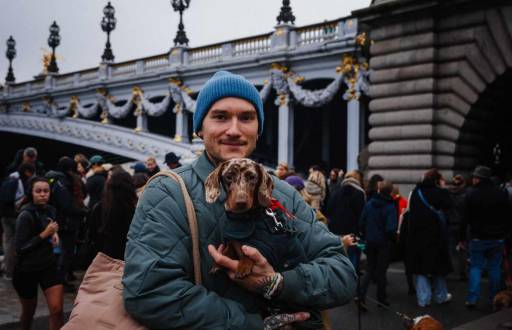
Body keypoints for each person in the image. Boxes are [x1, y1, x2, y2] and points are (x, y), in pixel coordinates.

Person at [123, 70, 357, 329]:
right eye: (220, 117)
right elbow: (149, 292)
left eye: (246, 118)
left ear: (258, 130)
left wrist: (277, 283)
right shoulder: (168, 193)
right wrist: (255, 324)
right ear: (200, 128)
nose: (234, 130)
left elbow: (342, 274)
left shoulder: (284, 195)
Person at [13, 176, 63, 330]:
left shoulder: (51, 210)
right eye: (38, 191)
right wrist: (45, 234)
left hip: (48, 264)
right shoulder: (25, 215)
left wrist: (55, 234)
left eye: (46, 191)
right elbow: (20, 248)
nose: (43, 194)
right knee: (28, 313)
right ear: (31, 193)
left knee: (57, 310)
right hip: (26, 269)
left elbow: (51, 227)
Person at [460, 166, 512, 308]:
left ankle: (472, 298)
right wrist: (505, 233)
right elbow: (508, 216)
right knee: (494, 268)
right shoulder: (501, 193)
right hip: (497, 238)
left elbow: (465, 219)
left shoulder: (471, 194)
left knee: (476, 267)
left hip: (478, 237)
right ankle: (493, 297)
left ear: (477, 179)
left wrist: (461, 237)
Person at [406, 169, 453, 307]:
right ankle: (441, 296)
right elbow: (449, 205)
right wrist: (444, 189)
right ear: (437, 180)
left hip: (418, 236)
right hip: (436, 236)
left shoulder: (416, 192)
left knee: (421, 270)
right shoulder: (439, 192)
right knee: (439, 269)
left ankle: (423, 299)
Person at [45, 157, 88, 292]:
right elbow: (66, 206)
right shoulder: (63, 183)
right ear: (70, 168)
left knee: (62, 252)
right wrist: (83, 212)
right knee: (66, 253)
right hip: (67, 223)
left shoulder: (56, 180)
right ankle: (59, 283)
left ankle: (60, 279)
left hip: (61, 221)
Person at [359, 180, 397, 308]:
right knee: (381, 271)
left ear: (379, 190)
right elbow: (391, 228)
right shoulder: (391, 206)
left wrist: (365, 236)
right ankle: (381, 299)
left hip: (370, 241)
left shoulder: (369, 204)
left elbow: (362, 222)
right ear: (390, 192)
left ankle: (361, 296)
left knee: (369, 269)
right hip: (383, 243)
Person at [87, 169, 137, 260]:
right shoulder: (134, 209)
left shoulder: (100, 207)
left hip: (104, 257)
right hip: (128, 256)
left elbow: (92, 234)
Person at [0, 162, 36, 280]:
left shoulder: (11, 177)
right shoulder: (18, 181)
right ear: (26, 171)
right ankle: (11, 271)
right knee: (15, 243)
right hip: (13, 216)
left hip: (4, 216)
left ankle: (7, 269)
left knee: (7, 242)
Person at [325, 170, 366, 271]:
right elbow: (361, 215)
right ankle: (353, 281)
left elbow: (328, 210)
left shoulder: (336, 191)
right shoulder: (360, 193)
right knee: (354, 256)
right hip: (353, 232)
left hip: (335, 230)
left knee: (338, 257)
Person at [447, 174, 467, 281]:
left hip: (450, 223)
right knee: (462, 250)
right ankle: (462, 273)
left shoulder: (448, 194)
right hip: (462, 224)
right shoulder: (465, 195)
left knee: (450, 248)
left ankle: (448, 271)